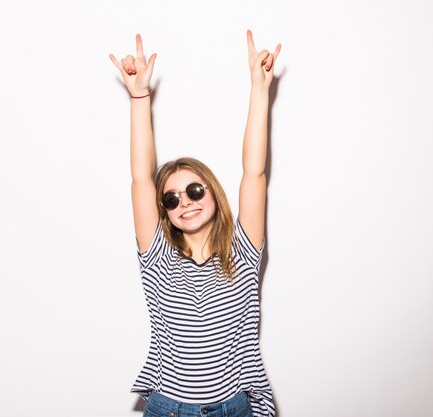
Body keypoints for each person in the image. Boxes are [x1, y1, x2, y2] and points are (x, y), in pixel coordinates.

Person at [109, 30, 281, 417]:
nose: (184, 201)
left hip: (233, 409)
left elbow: (254, 172)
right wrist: (139, 98)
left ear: (213, 194)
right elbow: (141, 177)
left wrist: (259, 91)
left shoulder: (243, 252)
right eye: (171, 198)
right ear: (165, 211)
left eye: (194, 190)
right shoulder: (157, 260)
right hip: (168, 409)